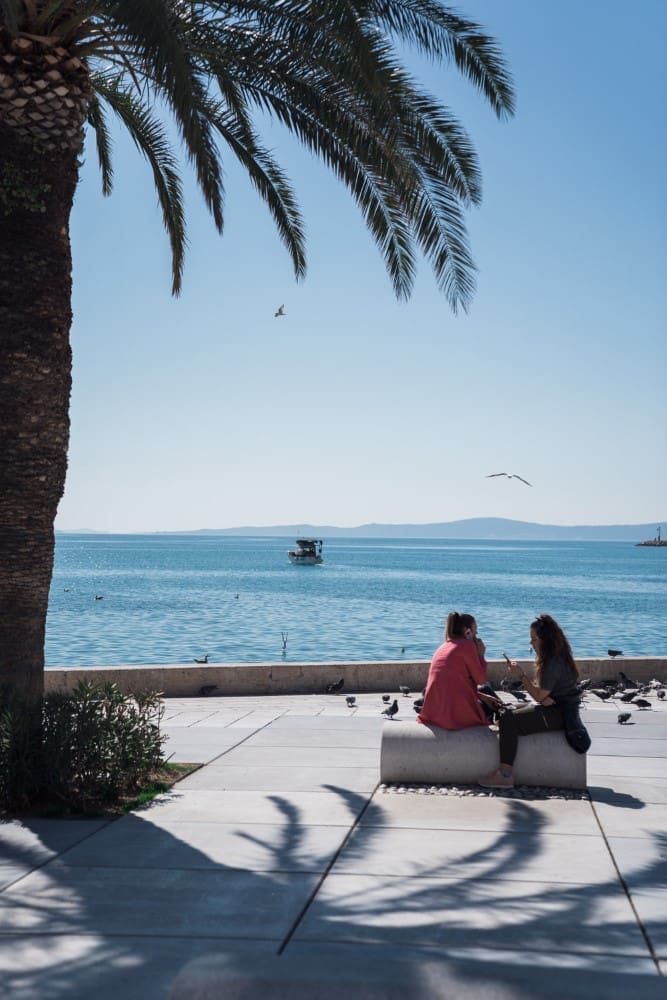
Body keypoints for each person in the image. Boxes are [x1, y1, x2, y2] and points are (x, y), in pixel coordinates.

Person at [478, 613, 581, 788]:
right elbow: (544, 694)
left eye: (534, 639)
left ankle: (505, 774)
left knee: (508, 718)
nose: (531, 644)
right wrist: (545, 698)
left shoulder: (553, 663)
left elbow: (538, 695)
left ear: (545, 640)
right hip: (557, 708)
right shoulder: (558, 656)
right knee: (507, 709)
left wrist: (521, 675)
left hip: (559, 715)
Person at [418, 611, 500, 730]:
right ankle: (498, 732)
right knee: (489, 695)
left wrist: (481, 696)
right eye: (475, 630)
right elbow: (481, 679)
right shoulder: (467, 646)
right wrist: (481, 656)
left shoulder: (444, 646)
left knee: (485, 693)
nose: (477, 634)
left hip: (434, 713)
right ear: (467, 631)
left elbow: (455, 685)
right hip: (454, 717)